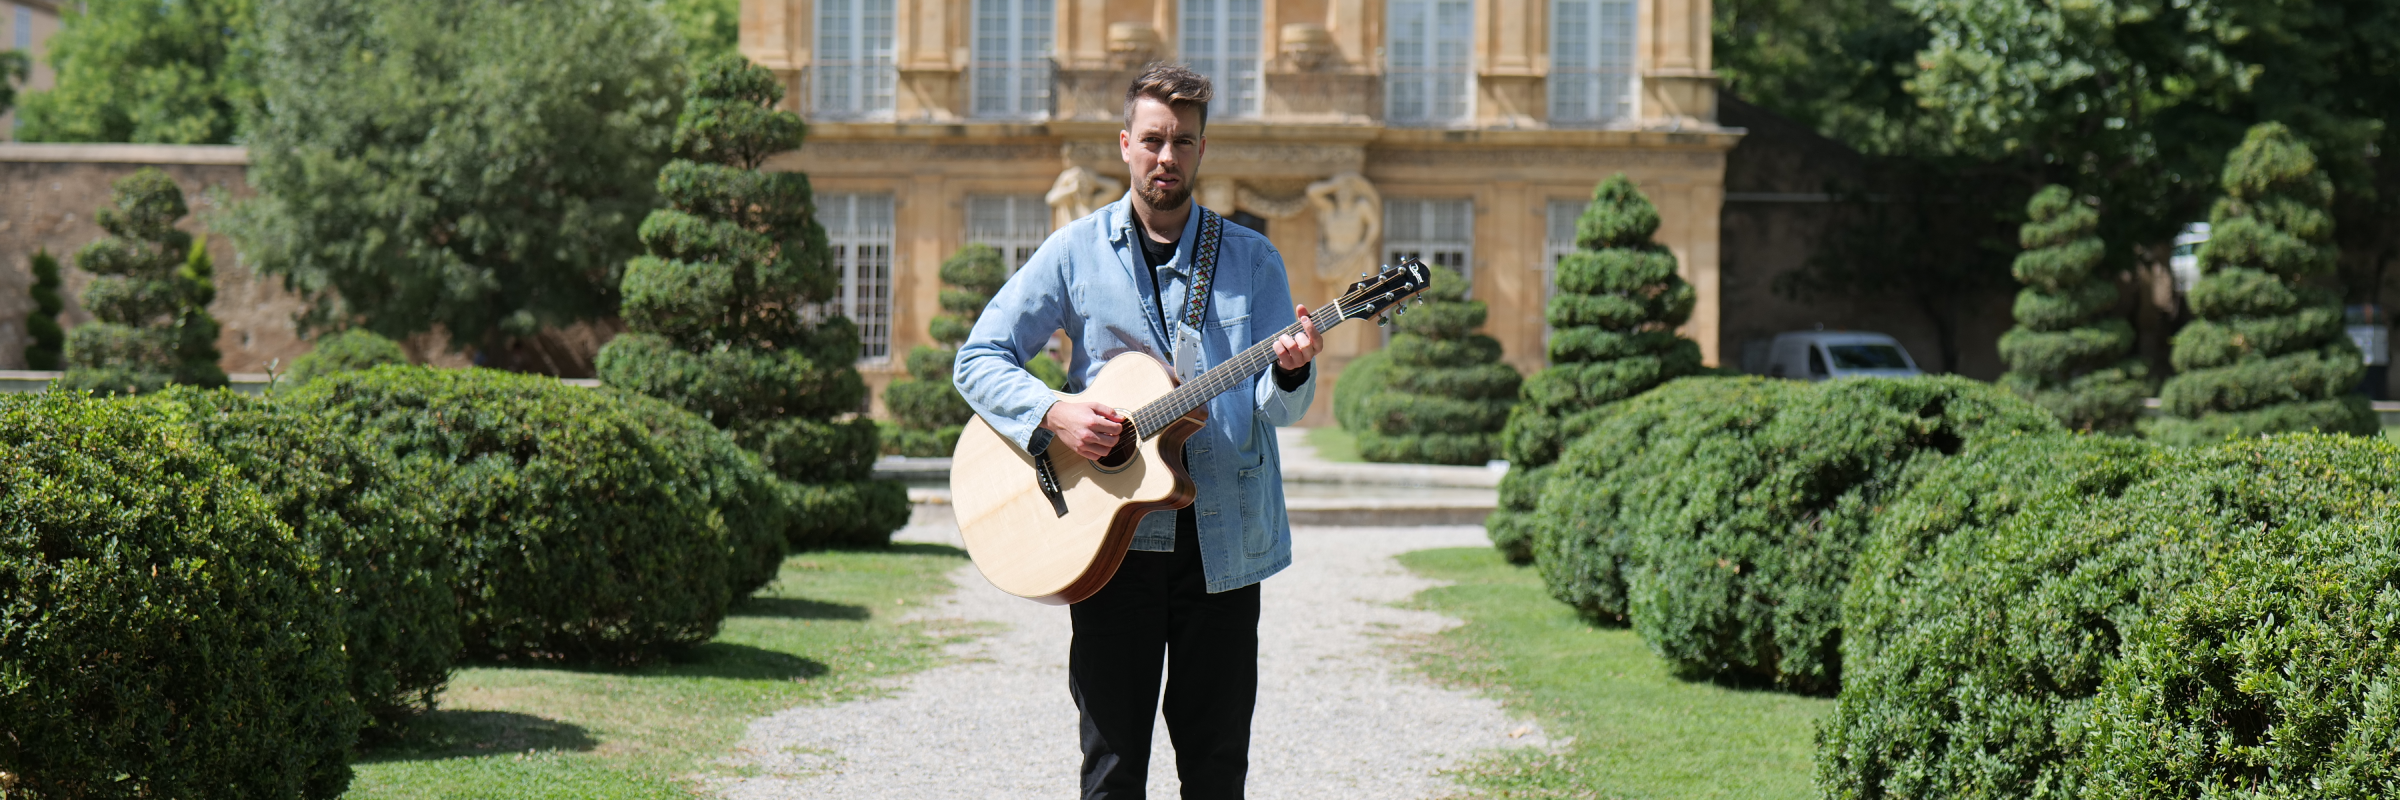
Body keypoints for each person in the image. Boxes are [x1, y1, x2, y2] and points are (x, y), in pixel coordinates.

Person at [952, 62, 1324, 799]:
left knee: (1217, 768)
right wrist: (1053, 410)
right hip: (1108, 545)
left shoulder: (1253, 259)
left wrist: (1288, 371)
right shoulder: (1073, 252)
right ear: (1125, 143)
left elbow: (1280, 411)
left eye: (1183, 142)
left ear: (1201, 151)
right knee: (1113, 766)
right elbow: (977, 359)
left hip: (1224, 543)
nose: (1166, 157)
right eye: (1152, 139)